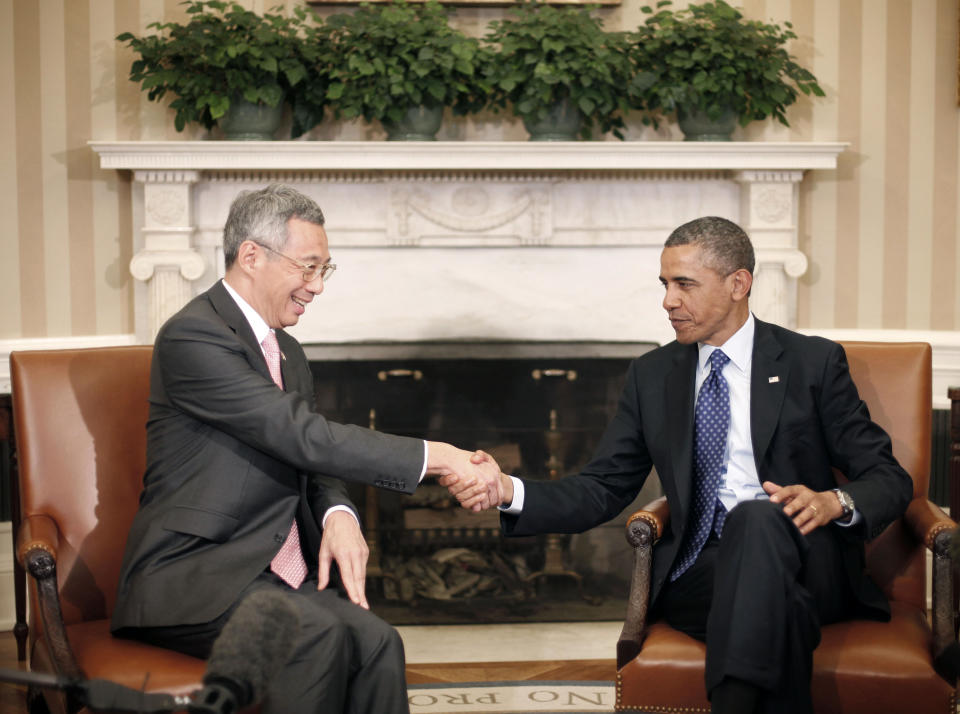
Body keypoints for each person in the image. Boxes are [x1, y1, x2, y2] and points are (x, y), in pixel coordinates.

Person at [453, 216, 912, 714]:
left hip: (806, 559)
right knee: (779, 610)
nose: (668, 301)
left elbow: (889, 479)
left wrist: (833, 501)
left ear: (739, 283)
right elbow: (603, 486)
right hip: (702, 573)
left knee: (757, 518)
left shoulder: (811, 363)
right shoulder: (653, 376)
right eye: (665, 284)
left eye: (684, 284)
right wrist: (509, 491)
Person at [111, 184, 502, 714]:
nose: (316, 287)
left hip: (269, 577)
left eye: (325, 270)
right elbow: (302, 435)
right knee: (315, 635)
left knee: (380, 642)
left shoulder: (287, 351)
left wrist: (339, 512)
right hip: (195, 574)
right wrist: (442, 457)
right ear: (252, 256)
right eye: (308, 267)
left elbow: (312, 455)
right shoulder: (193, 337)